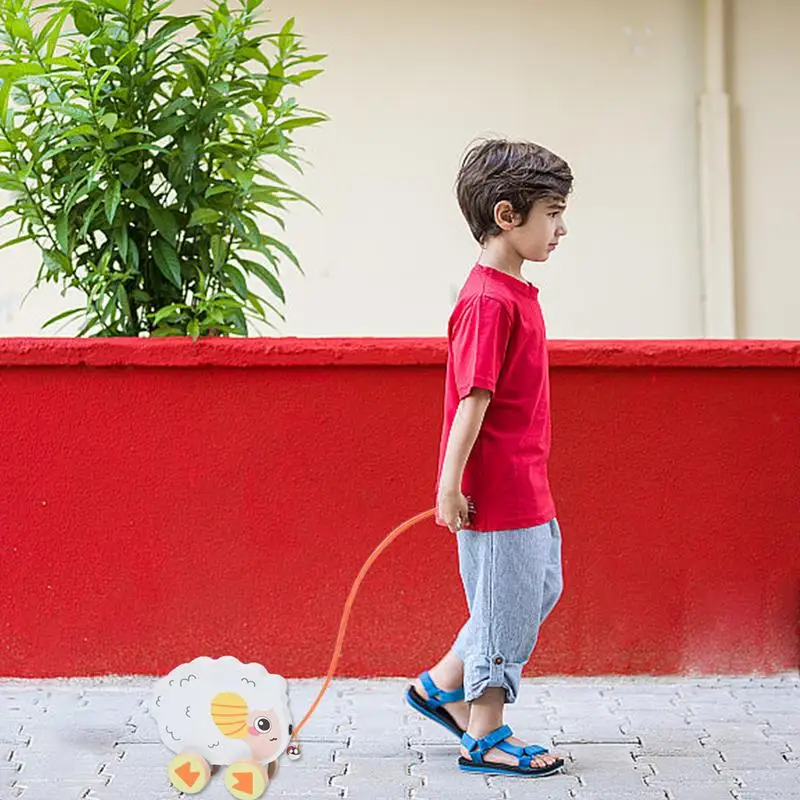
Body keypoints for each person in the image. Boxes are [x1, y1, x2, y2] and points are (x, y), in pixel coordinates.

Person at [405, 138, 573, 777]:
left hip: (526, 481)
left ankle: (442, 682)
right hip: (497, 492)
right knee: (505, 611)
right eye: (551, 212)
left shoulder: (513, 293)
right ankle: (485, 733)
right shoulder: (487, 301)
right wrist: (449, 486)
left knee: (536, 591)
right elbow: (471, 401)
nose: (562, 228)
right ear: (508, 216)